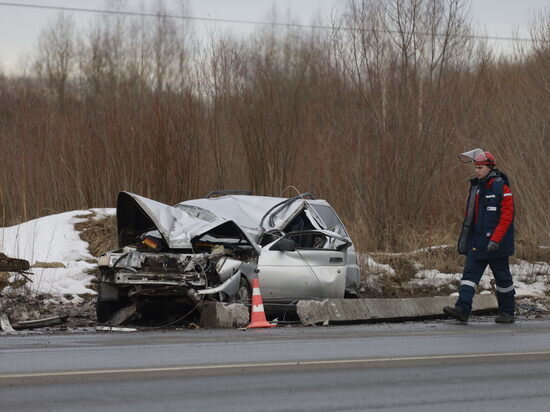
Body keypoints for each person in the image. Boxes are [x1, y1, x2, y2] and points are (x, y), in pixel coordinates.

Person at [443, 149, 516, 323]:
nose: (477, 170)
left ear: (490, 168)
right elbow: (471, 216)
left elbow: (507, 217)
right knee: (469, 276)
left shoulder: (501, 187)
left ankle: (507, 312)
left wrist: (496, 240)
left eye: (480, 167)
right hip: (477, 242)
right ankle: (462, 309)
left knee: (503, 279)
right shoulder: (476, 187)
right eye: (476, 167)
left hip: (497, 244)